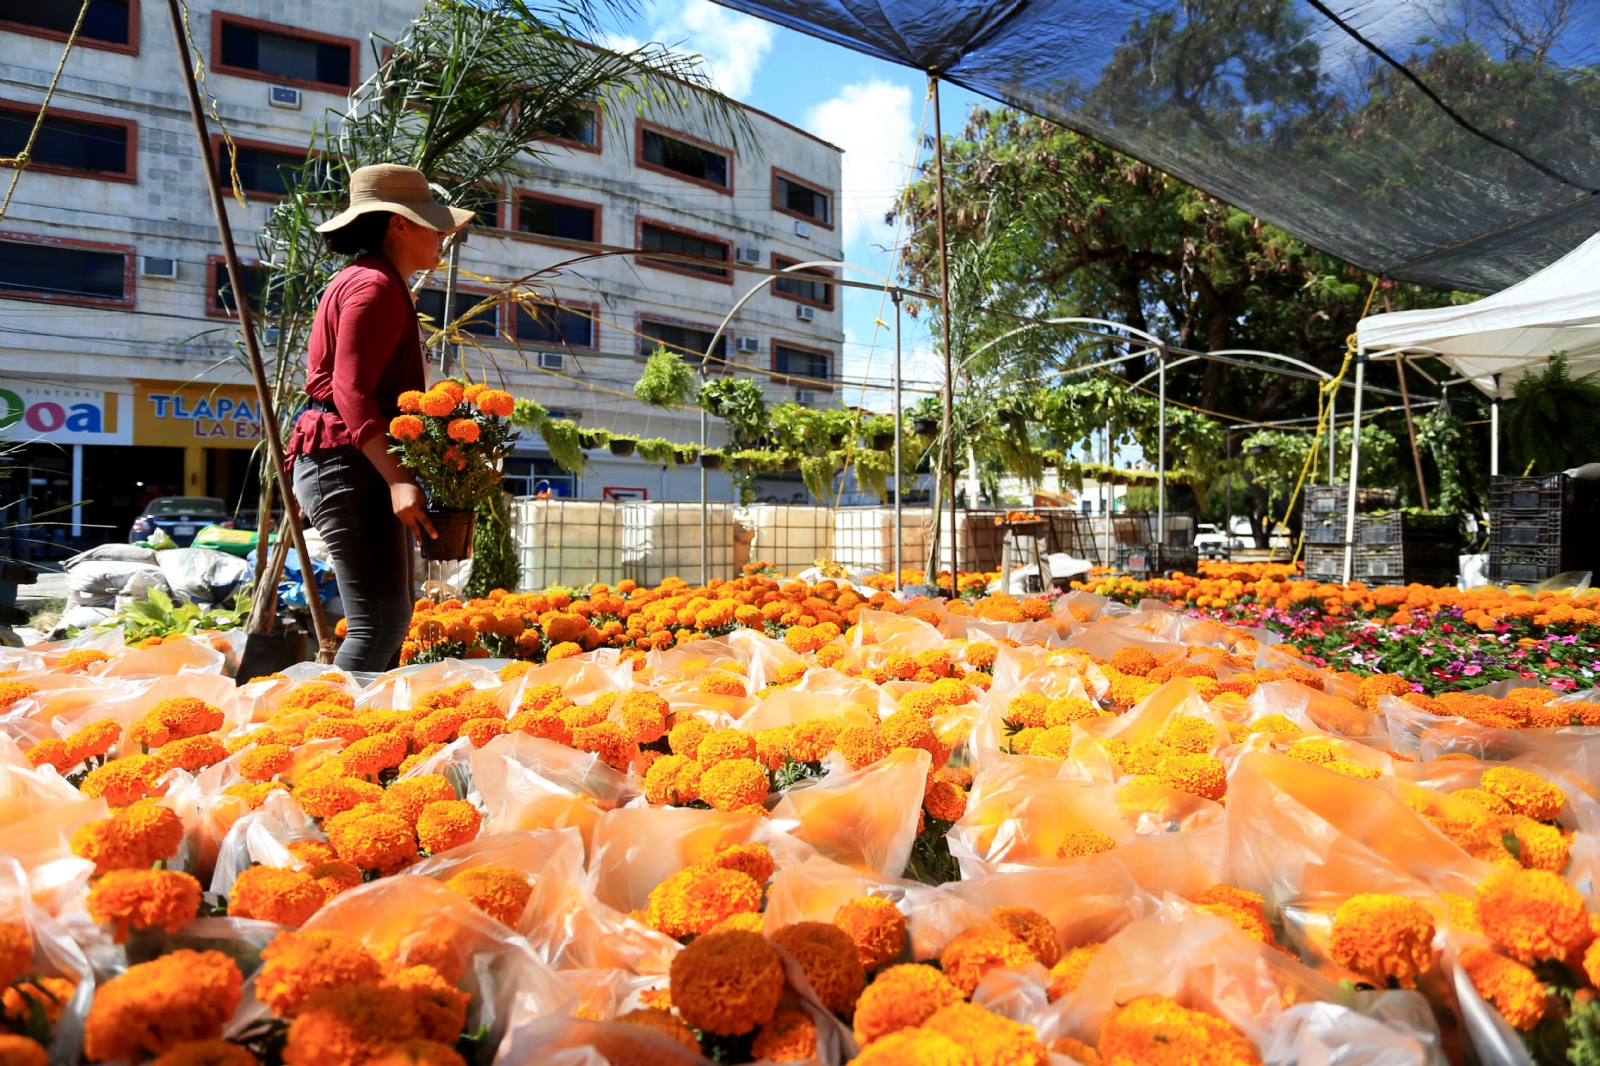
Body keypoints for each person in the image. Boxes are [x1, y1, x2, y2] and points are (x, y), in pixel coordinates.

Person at [286, 164, 473, 671]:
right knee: (378, 623)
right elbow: (350, 390)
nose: (442, 237)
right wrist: (398, 479)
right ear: (399, 224)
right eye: (432, 224)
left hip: (353, 461)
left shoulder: (377, 281)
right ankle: (327, 741)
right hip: (348, 464)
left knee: (390, 620)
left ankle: (371, 743)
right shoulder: (373, 286)